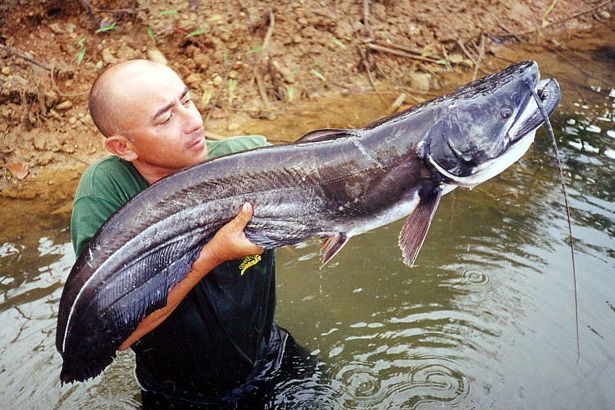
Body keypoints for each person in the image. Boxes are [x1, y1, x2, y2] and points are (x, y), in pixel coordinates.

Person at [70, 59, 317, 408]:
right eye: (165, 118)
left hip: (274, 362)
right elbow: (114, 334)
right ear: (123, 147)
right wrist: (212, 254)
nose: (193, 122)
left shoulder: (249, 158)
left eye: (186, 101)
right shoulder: (108, 194)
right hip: (180, 395)